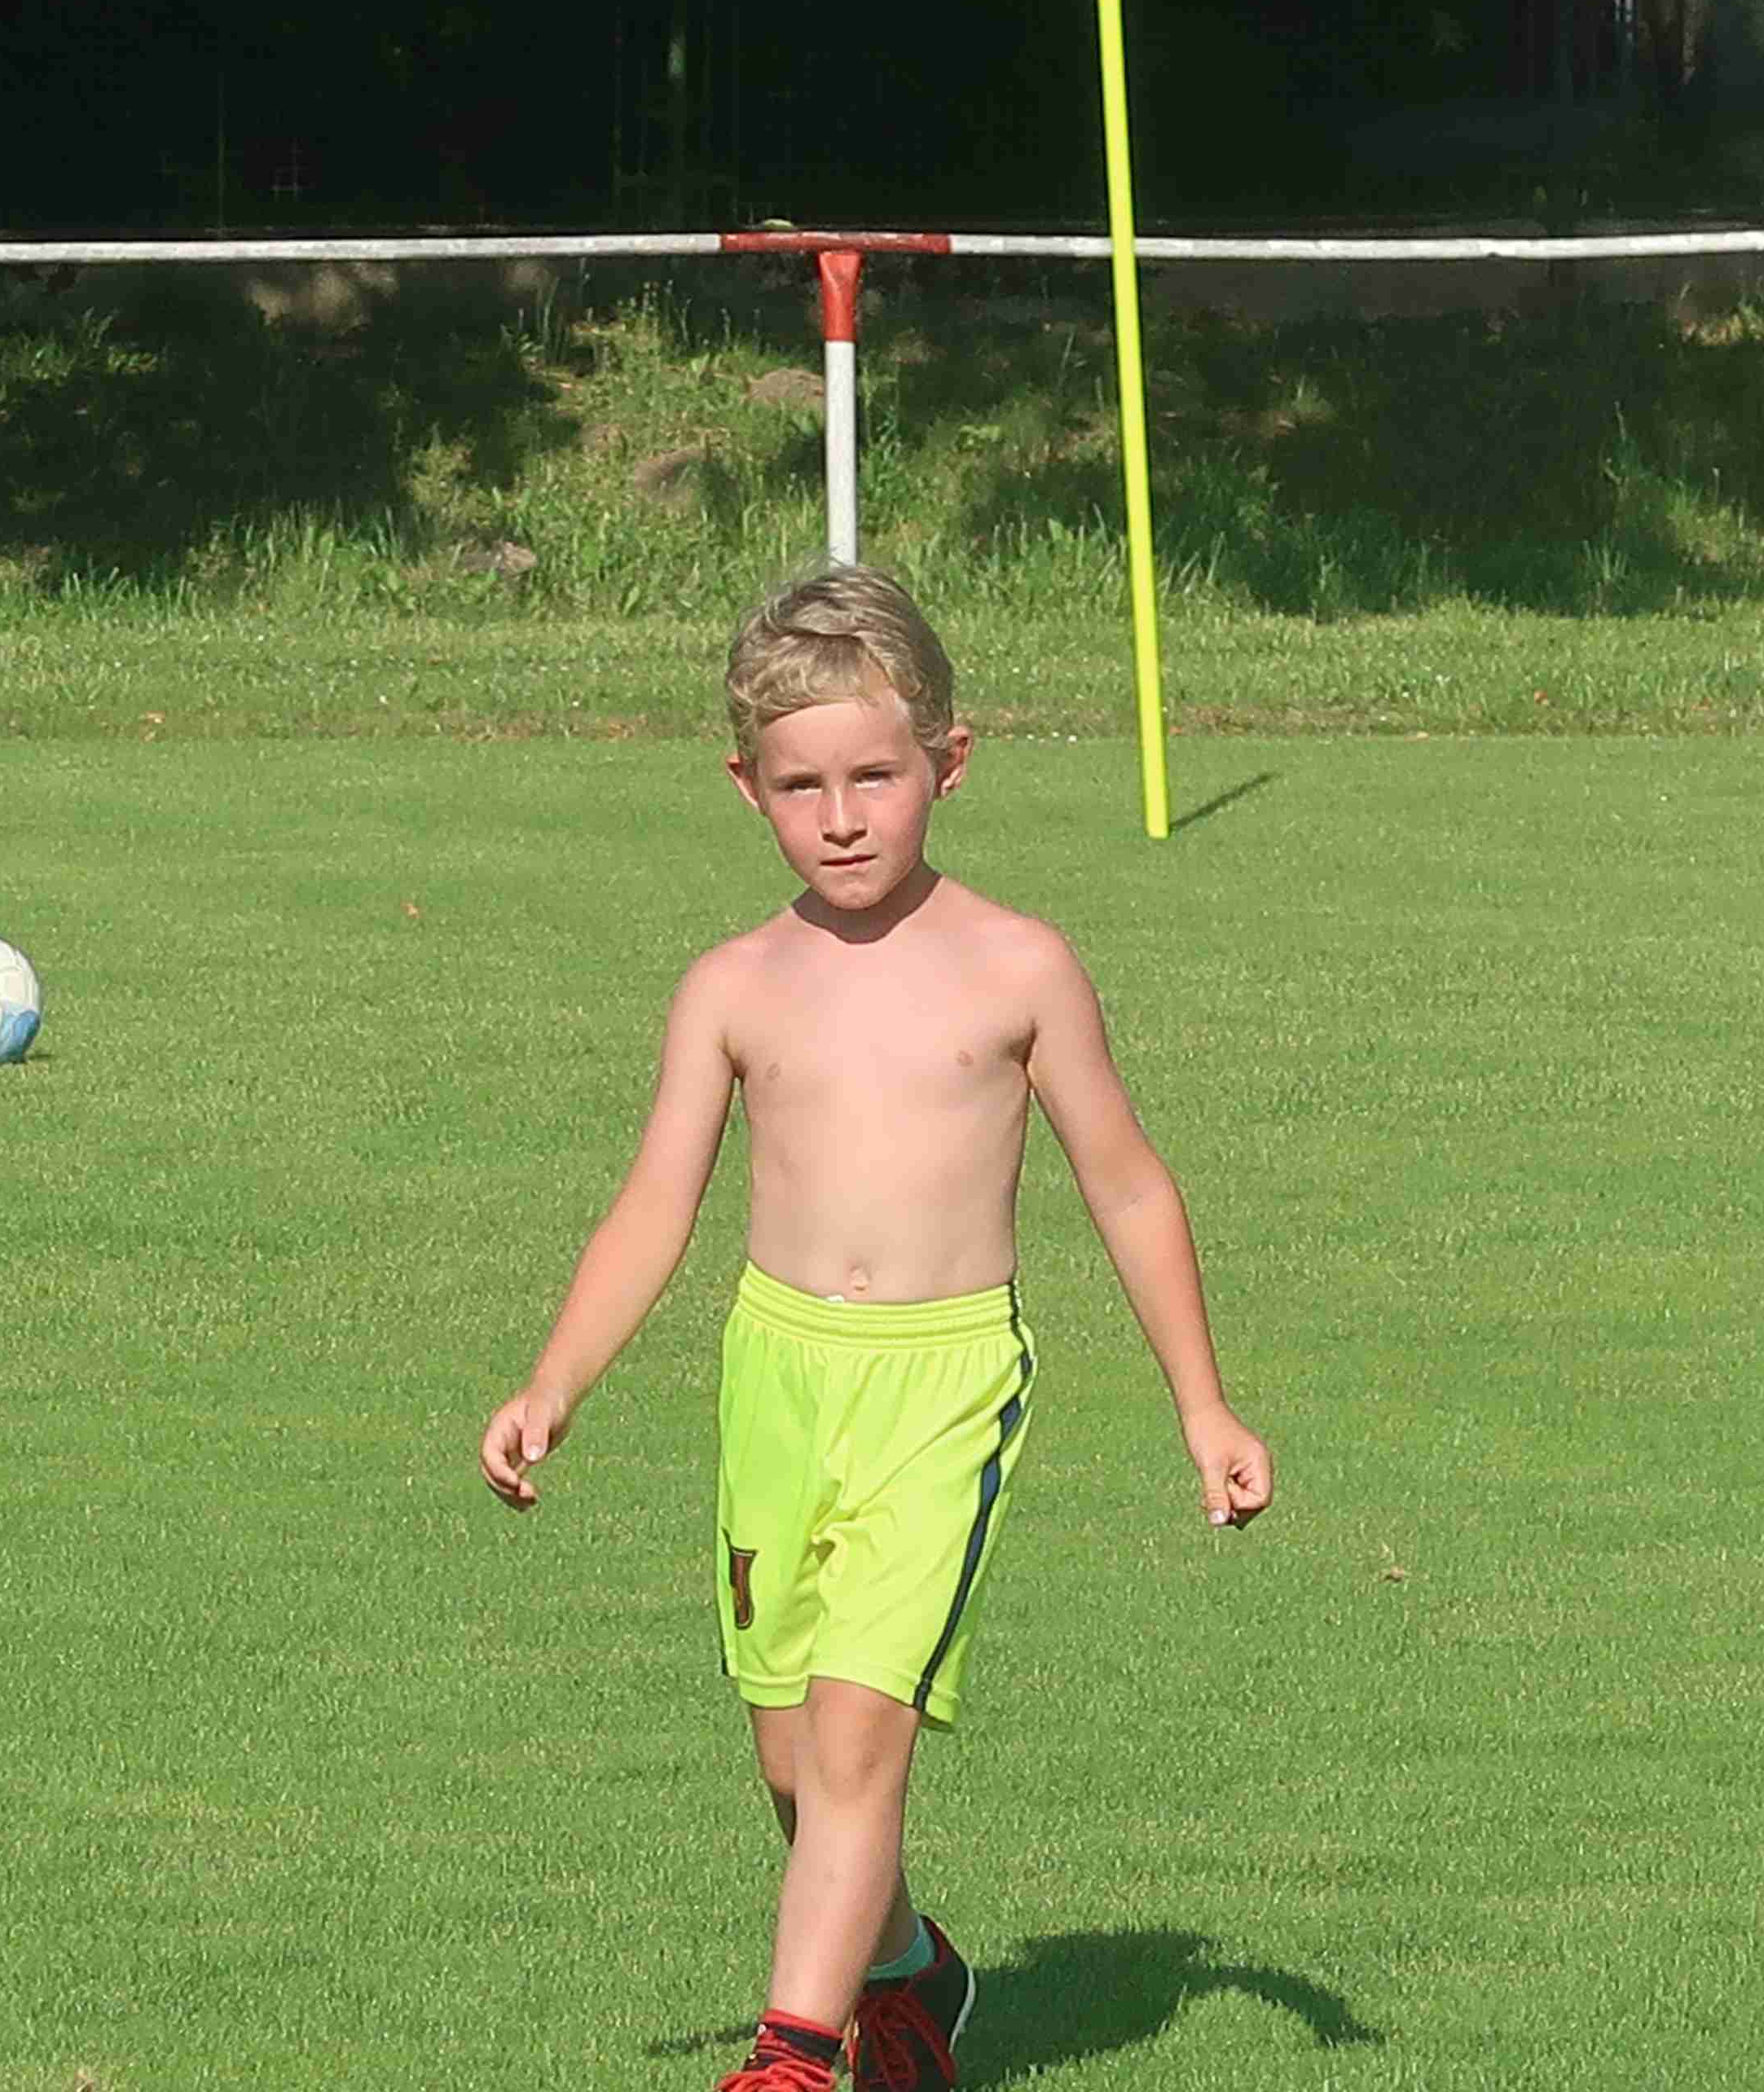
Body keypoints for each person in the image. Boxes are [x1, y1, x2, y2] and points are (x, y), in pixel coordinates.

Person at [478, 563, 1277, 2092]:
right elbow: (652, 1207)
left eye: (876, 778)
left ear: (948, 764)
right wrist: (555, 1381)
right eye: (802, 787)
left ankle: (790, 2056)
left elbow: (1126, 1187)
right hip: (778, 1377)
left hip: (943, 1385)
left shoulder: (1018, 966)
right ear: (747, 788)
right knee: (791, 1761)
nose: (841, 818)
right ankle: (908, 1968)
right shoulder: (731, 986)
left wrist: (1205, 1405)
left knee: (856, 1742)